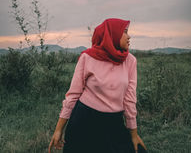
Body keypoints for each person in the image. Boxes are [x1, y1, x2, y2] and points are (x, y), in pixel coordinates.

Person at [48, 18, 147, 153]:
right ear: (112, 35)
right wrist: (59, 129)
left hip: (114, 123)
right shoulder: (88, 57)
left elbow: (129, 100)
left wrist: (134, 135)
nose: (129, 36)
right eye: (124, 32)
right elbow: (73, 94)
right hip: (84, 122)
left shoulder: (130, 61)